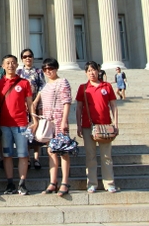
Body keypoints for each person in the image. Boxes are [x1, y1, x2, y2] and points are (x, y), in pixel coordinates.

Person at [76, 60, 119, 193]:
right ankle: (92, 183)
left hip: (105, 126)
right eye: (89, 71)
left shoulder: (106, 86)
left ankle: (109, 183)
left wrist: (115, 123)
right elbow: (79, 108)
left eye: (93, 70)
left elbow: (113, 105)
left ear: (98, 70)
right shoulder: (83, 88)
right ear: (86, 73)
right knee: (91, 156)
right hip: (88, 126)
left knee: (106, 156)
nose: (91, 73)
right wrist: (78, 125)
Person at [0, 54, 33, 195]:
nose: (10, 65)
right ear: (3, 66)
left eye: (13, 63)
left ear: (17, 65)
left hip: (21, 124)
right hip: (4, 124)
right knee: (7, 155)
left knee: (23, 155)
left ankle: (22, 183)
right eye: (8, 63)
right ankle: (10, 183)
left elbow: (30, 103)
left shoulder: (24, 83)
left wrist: (33, 119)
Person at [33, 58, 72, 197]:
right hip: (48, 121)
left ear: (56, 68)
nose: (48, 71)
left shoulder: (62, 82)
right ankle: (53, 182)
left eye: (51, 68)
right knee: (51, 151)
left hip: (59, 119)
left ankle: (65, 182)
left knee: (63, 151)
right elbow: (36, 102)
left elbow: (67, 102)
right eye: (45, 69)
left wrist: (64, 120)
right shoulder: (45, 86)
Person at [18, 48, 46, 170]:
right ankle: (28, 158)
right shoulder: (19, 72)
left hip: (36, 104)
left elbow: (42, 87)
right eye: (25, 56)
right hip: (23, 106)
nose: (27, 58)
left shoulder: (38, 71)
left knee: (36, 130)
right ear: (22, 59)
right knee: (26, 131)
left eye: (29, 56)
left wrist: (35, 101)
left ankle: (36, 158)